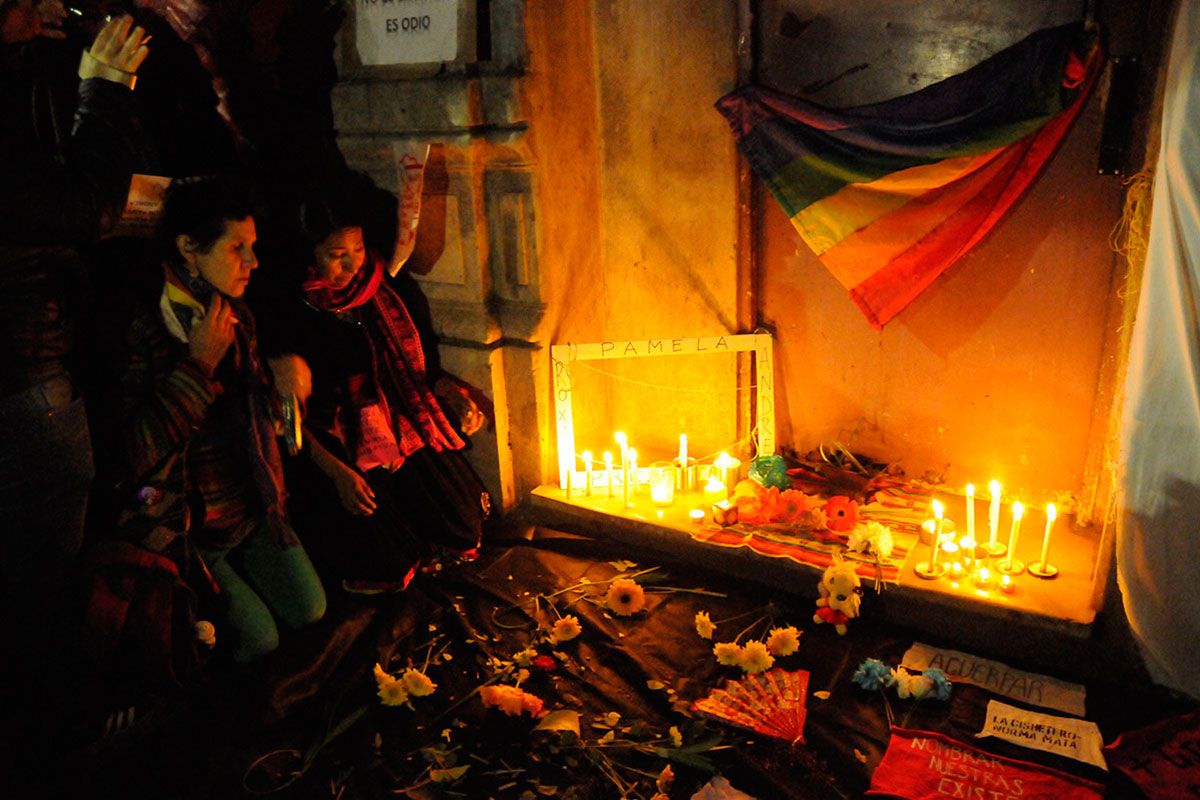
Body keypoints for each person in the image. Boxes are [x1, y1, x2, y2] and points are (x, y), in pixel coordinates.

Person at [117, 177, 325, 664]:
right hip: (182, 526)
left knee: (311, 609)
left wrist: (281, 387)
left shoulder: (234, 315)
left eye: (252, 247)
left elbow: (260, 428)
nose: (253, 263)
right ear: (188, 248)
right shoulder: (142, 326)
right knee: (258, 641)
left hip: (245, 508)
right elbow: (133, 452)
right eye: (237, 248)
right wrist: (198, 367)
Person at [0, 7, 149, 684]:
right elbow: (81, 208)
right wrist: (107, 88)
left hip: (28, 365)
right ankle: (52, 723)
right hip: (24, 373)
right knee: (45, 575)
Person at [274, 188, 490, 594]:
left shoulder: (385, 286)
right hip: (336, 443)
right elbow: (288, 424)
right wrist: (338, 475)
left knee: (462, 527)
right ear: (310, 253)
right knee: (388, 561)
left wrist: (454, 395)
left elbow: (424, 368)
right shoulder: (293, 316)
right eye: (337, 254)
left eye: (356, 248)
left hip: (398, 423)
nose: (352, 263)